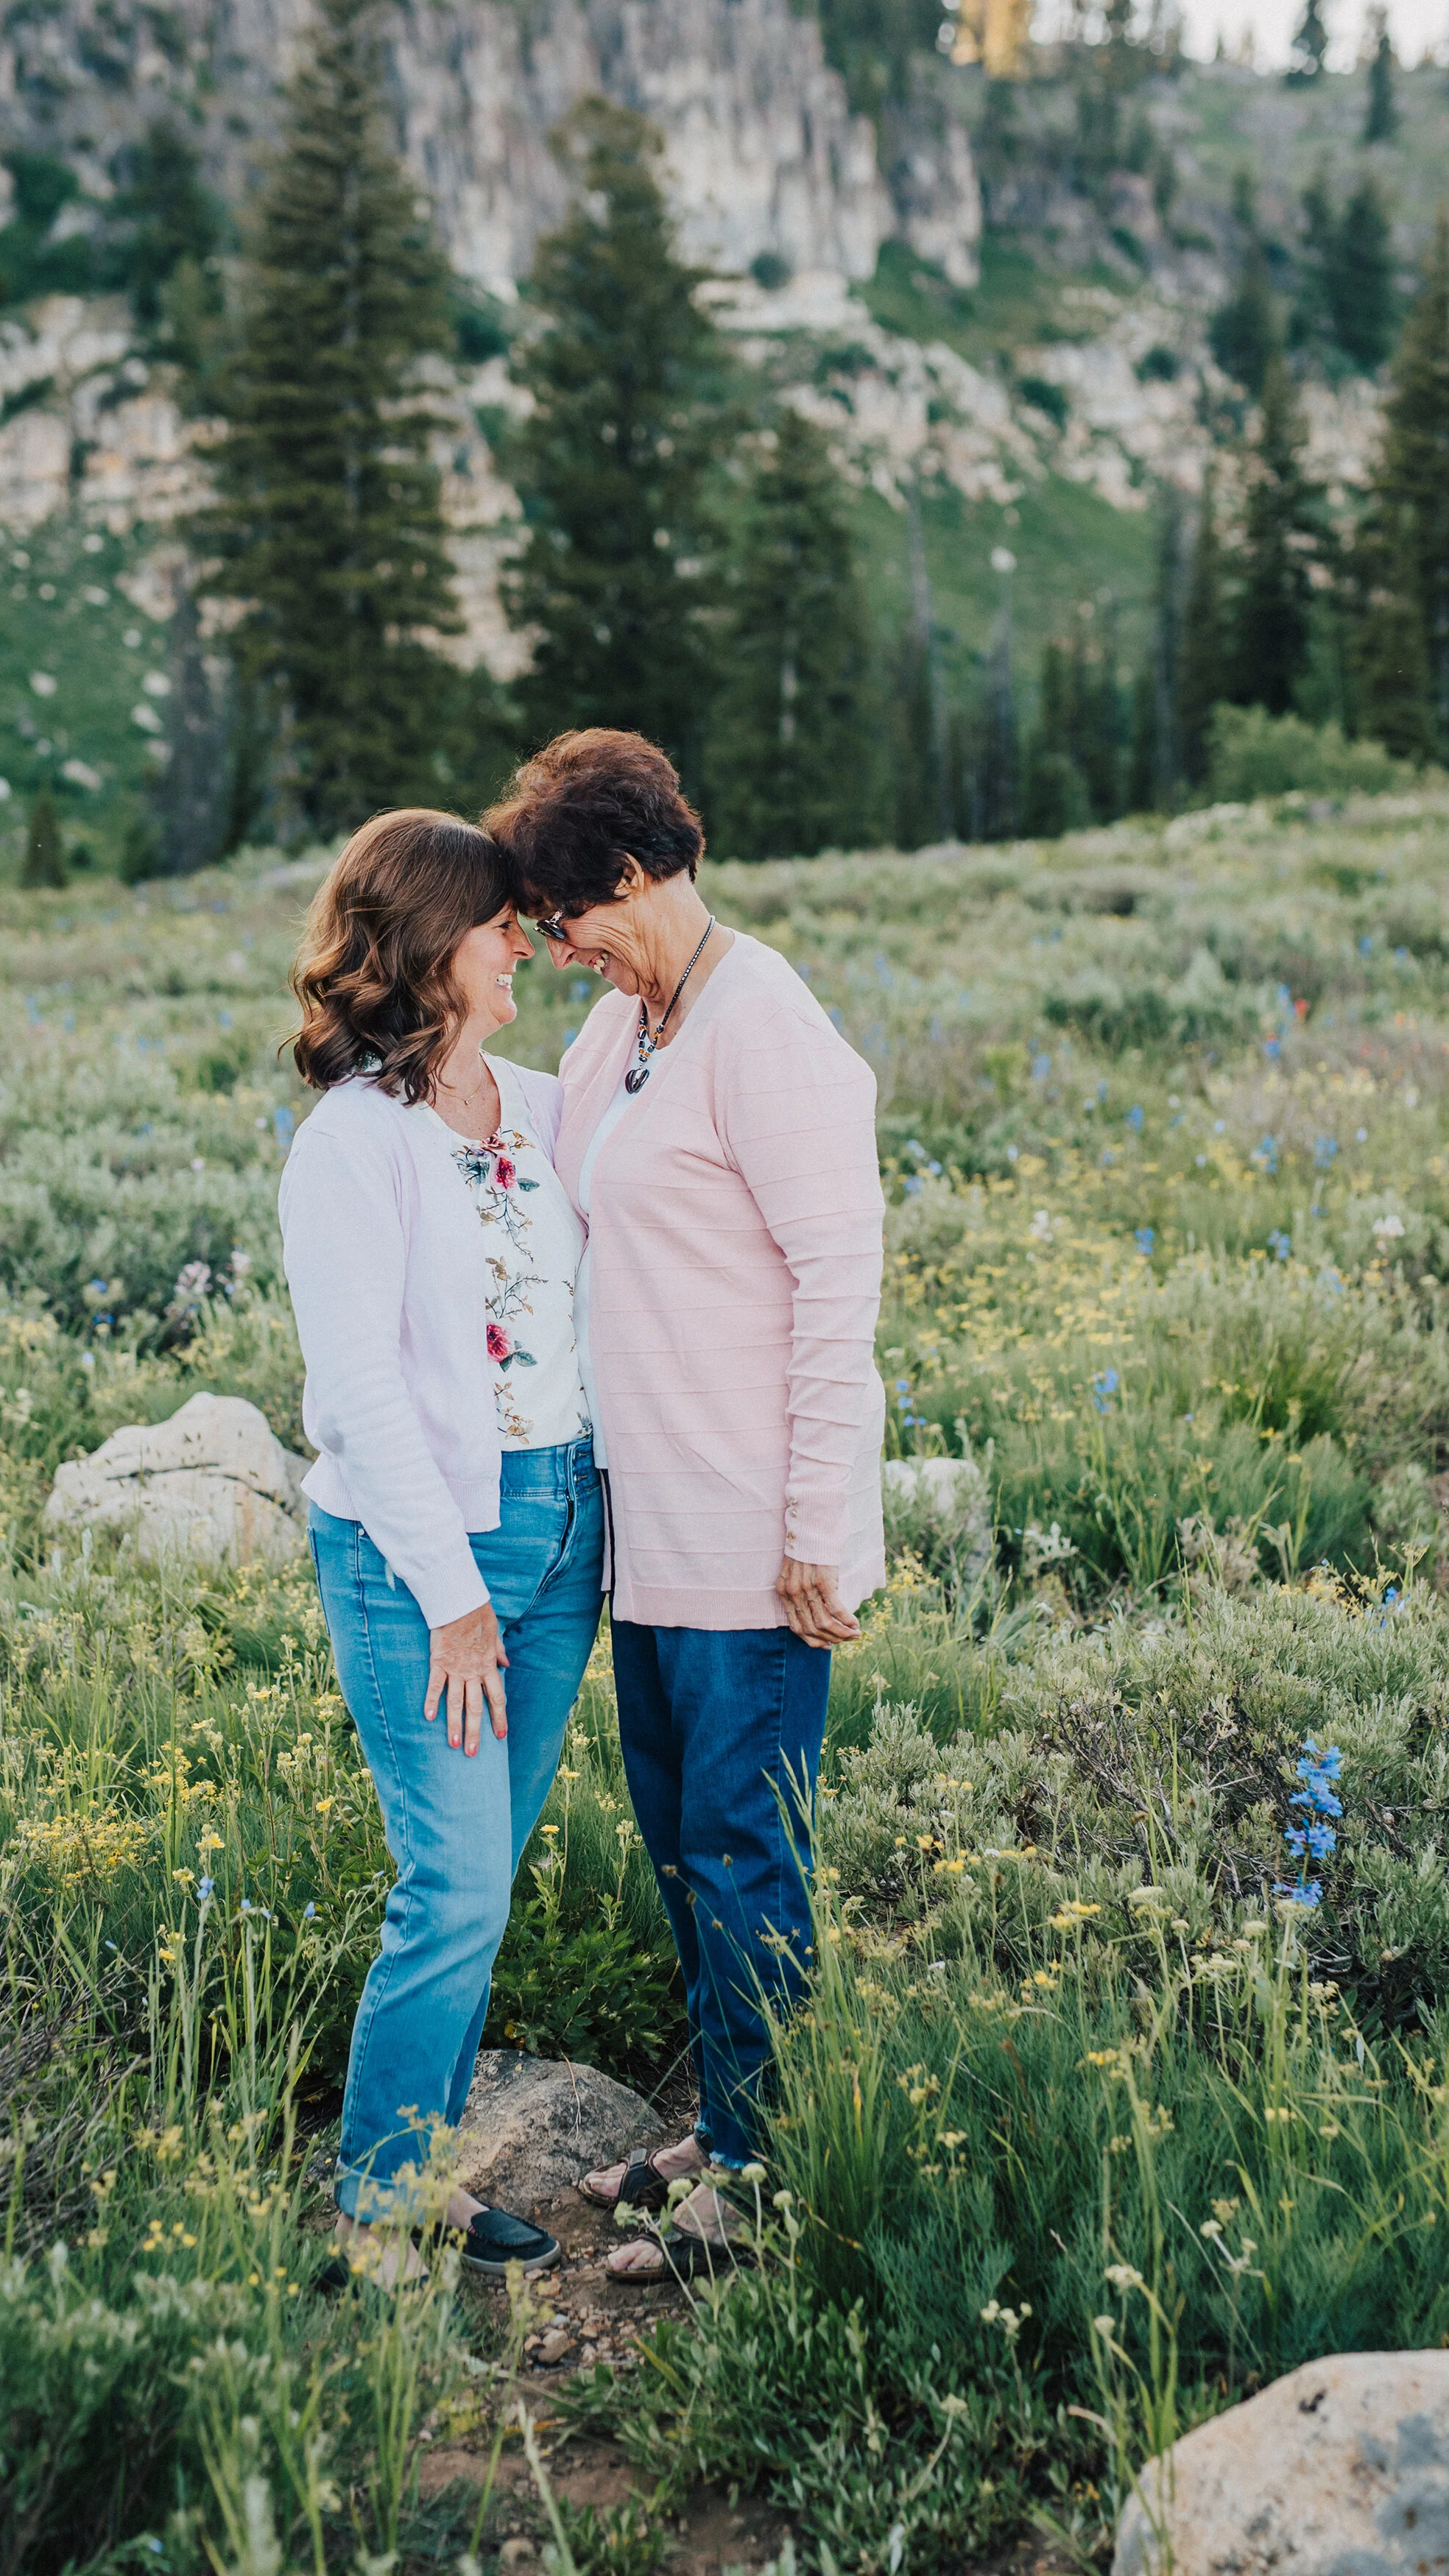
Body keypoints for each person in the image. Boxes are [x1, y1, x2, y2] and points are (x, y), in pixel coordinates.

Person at [485, 730, 884, 2282]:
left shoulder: (762, 1025)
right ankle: (729, 2118)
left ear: (637, 877)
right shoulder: (617, 1036)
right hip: (642, 1524)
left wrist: (819, 1527)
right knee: (679, 1844)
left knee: (742, 1848)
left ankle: (767, 2170)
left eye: (566, 918)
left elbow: (839, 1286)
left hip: (749, 1530)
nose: (557, 948)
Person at [278, 808, 604, 2282]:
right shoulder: (351, 1145)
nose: (522, 948)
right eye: (499, 928)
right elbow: (359, 1394)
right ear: (431, 947)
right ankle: (379, 2188)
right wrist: (455, 1598)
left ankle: (420, 2161)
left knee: (493, 1861)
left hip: (560, 1523)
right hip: (423, 1559)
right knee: (455, 1882)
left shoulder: (539, 1102)